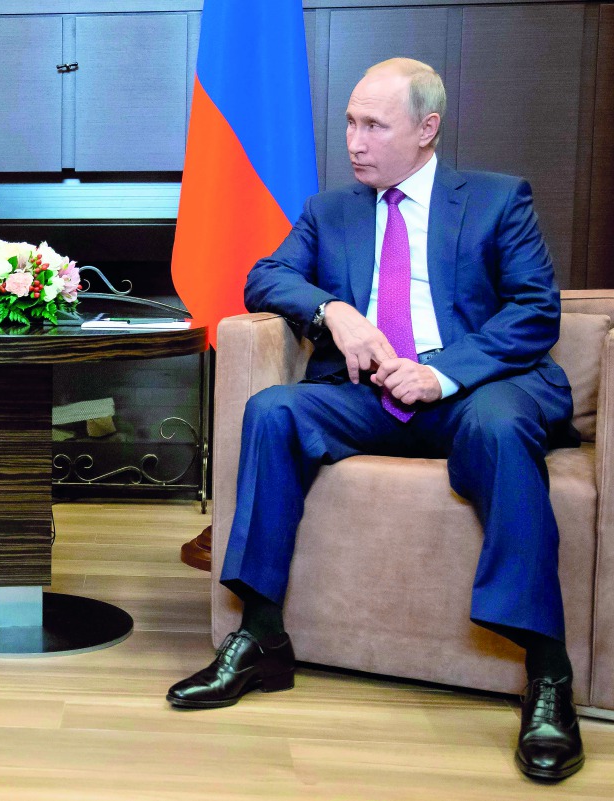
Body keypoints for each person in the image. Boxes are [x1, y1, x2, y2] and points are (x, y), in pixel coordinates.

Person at [166, 58, 584, 781]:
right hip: (370, 395)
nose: (354, 141)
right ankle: (260, 636)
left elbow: (534, 310)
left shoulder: (493, 200)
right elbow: (265, 275)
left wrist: (442, 370)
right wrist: (335, 311)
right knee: (274, 411)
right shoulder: (332, 211)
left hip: (474, 392)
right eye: (351, 122)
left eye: (374, 126)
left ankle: (548, 673)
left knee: (495, 426)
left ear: (427, 130)